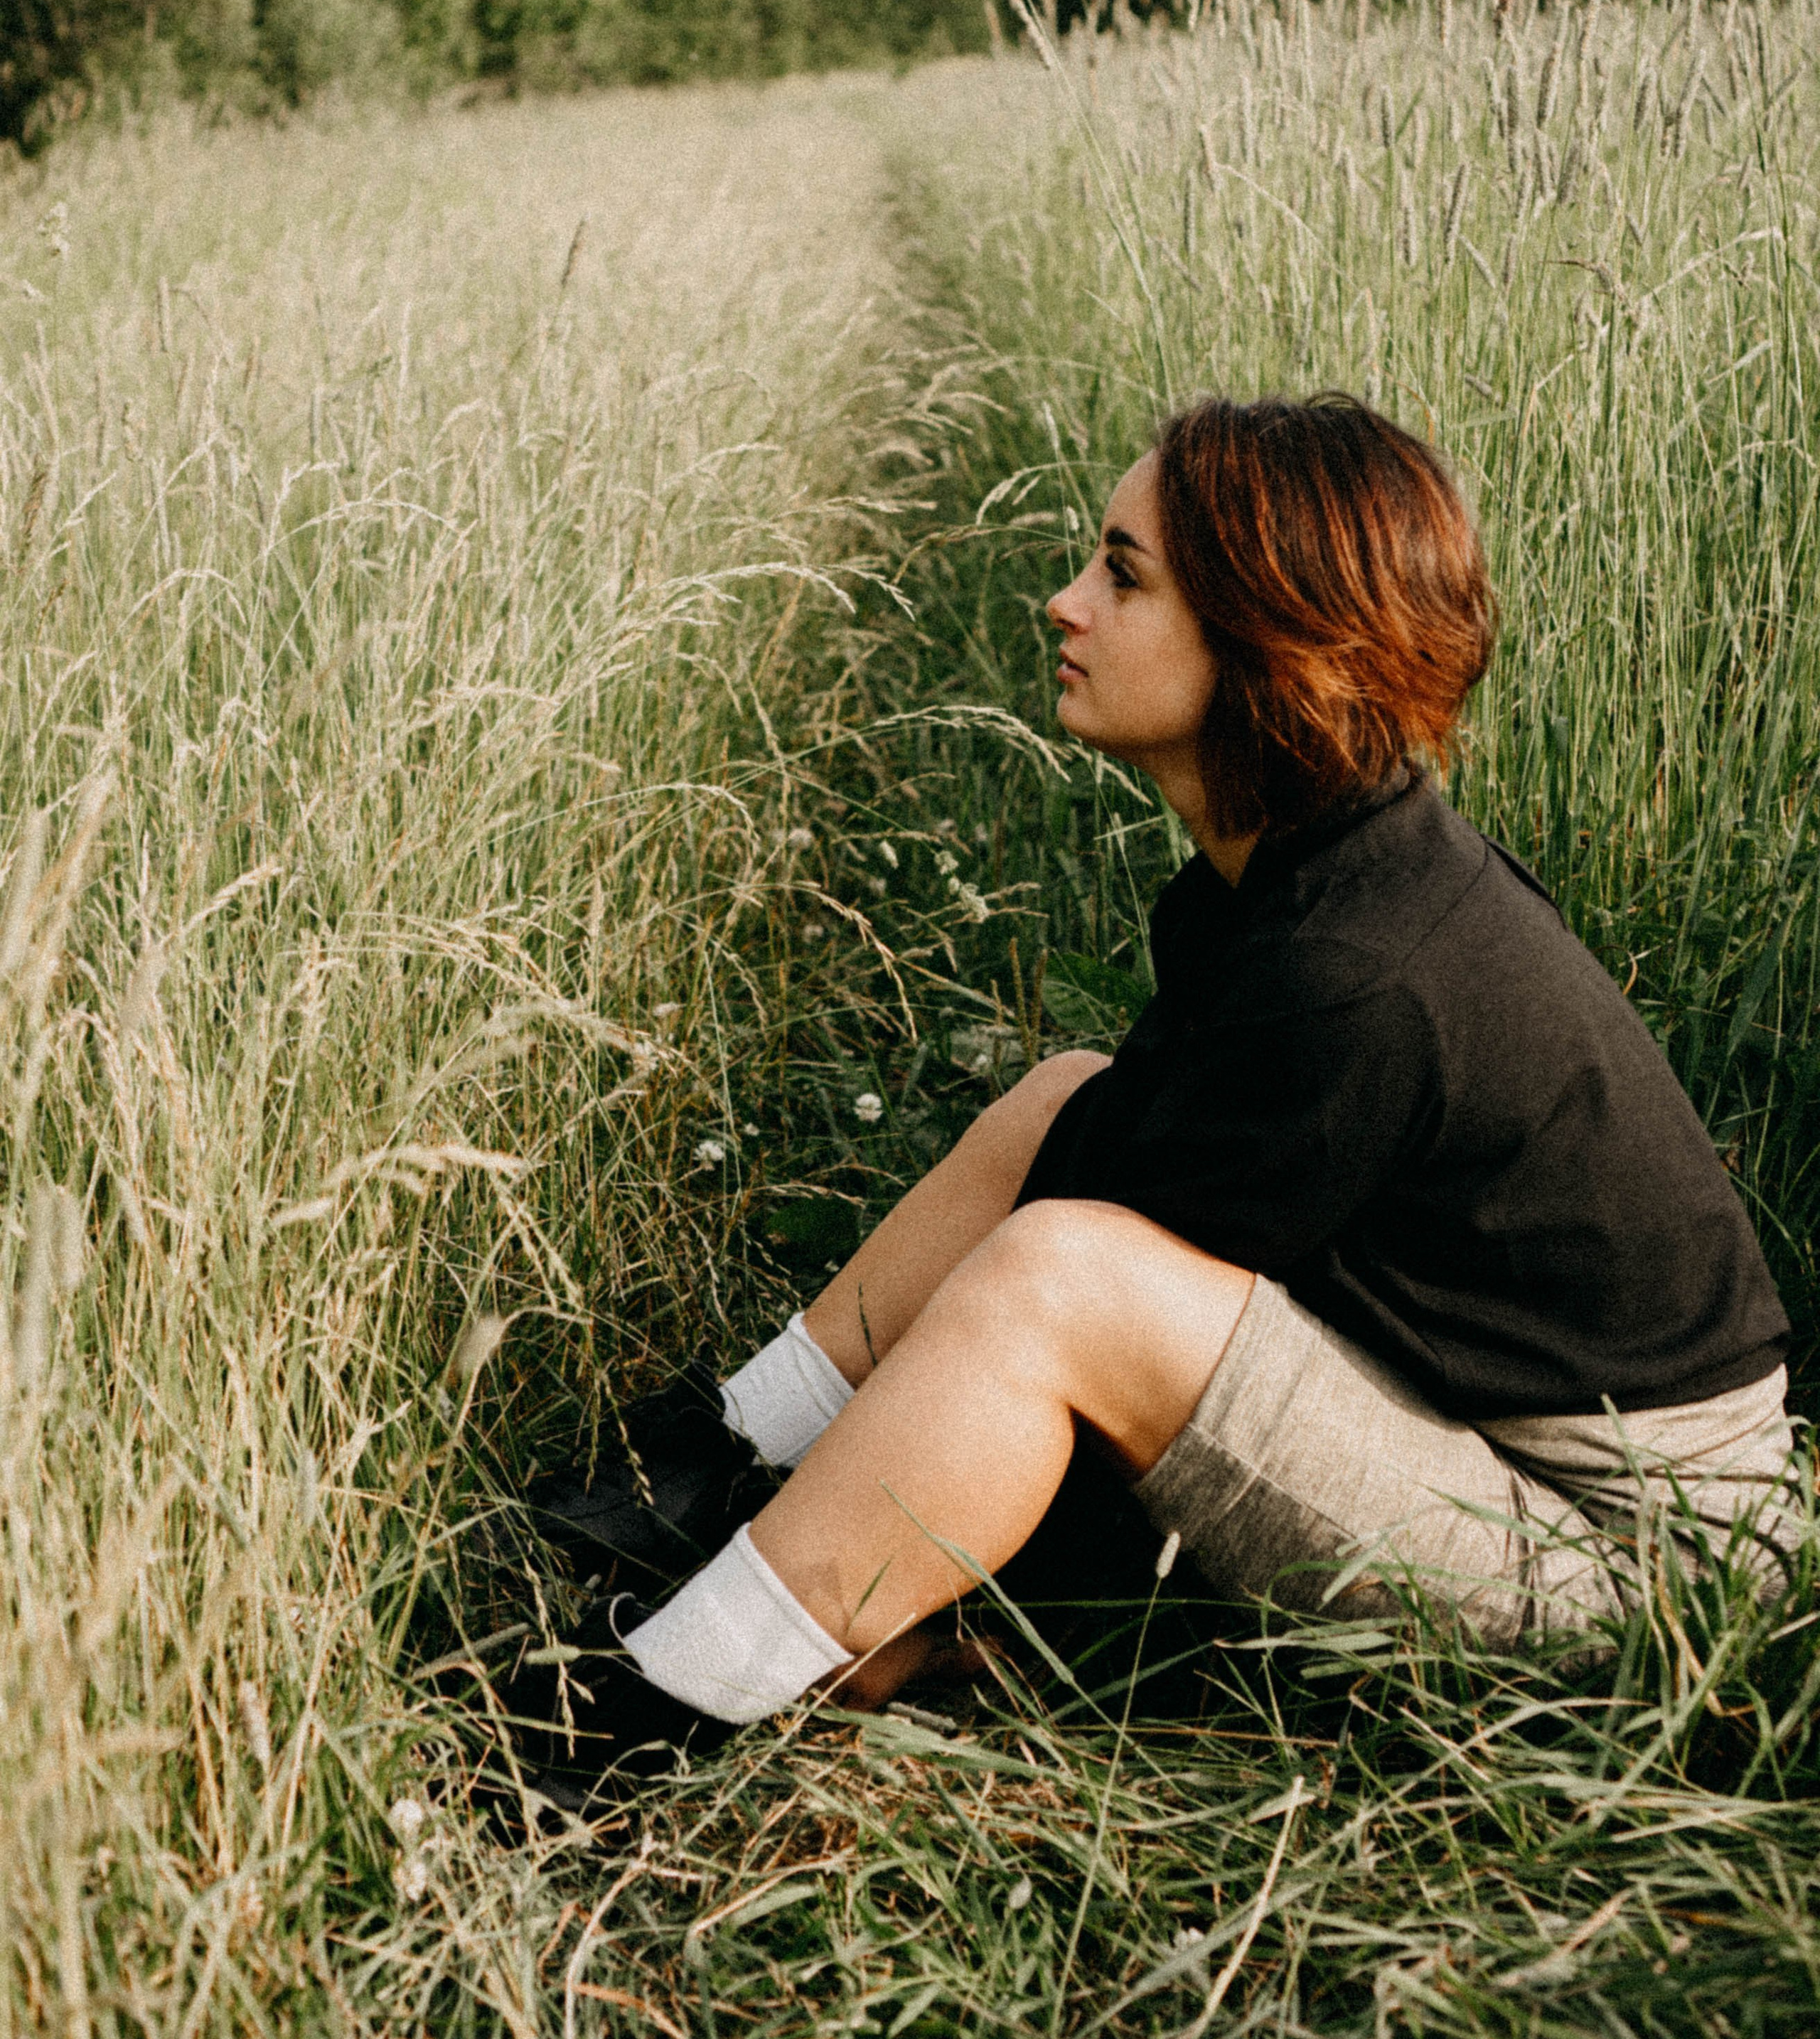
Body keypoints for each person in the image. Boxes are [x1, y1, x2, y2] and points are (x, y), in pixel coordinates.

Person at [498, 392, 1795, 1805]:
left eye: (1122, 575)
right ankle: (703, 1465)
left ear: (1267, 643)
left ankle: (645, 1714)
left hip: (1636, 1581)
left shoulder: (1354, 975)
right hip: (1513, 1457)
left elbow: (1119, 1373)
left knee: (1064, 1280)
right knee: (1069, 1104)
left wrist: (914, 1611)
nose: (1063, 605)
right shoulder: (1310, 876)